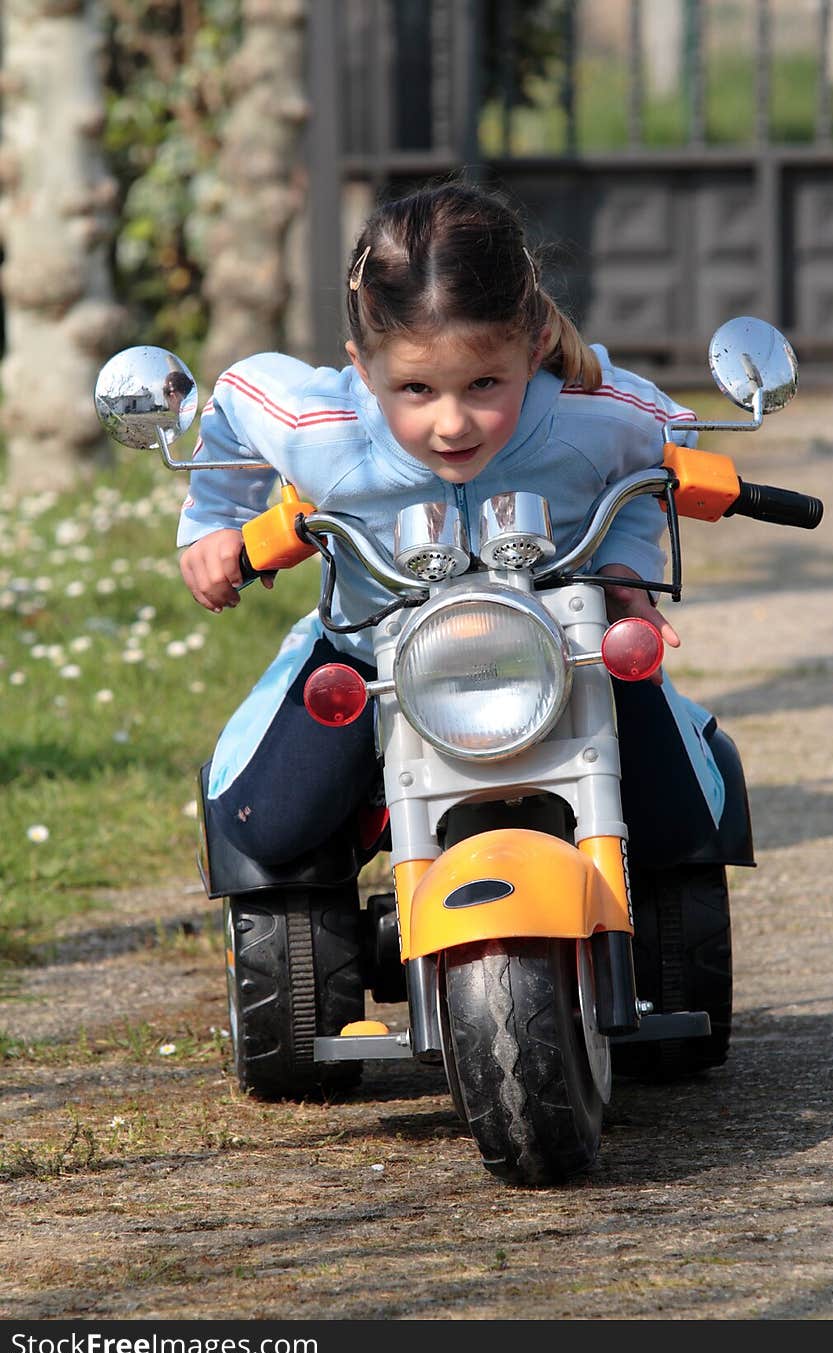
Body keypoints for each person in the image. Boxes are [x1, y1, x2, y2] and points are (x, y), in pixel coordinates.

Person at [177, 181, 723, 868]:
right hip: (372, 652)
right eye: (416, 389)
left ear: (536, 346)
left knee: (682, 828)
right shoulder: (323, 429)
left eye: (484, 385)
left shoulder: (598, 415)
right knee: (270, 830)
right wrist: (213, 524)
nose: (452, 422)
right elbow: (236, 395)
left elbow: (671, 451)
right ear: (362, 367)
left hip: (567, 654)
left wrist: (623, 565)